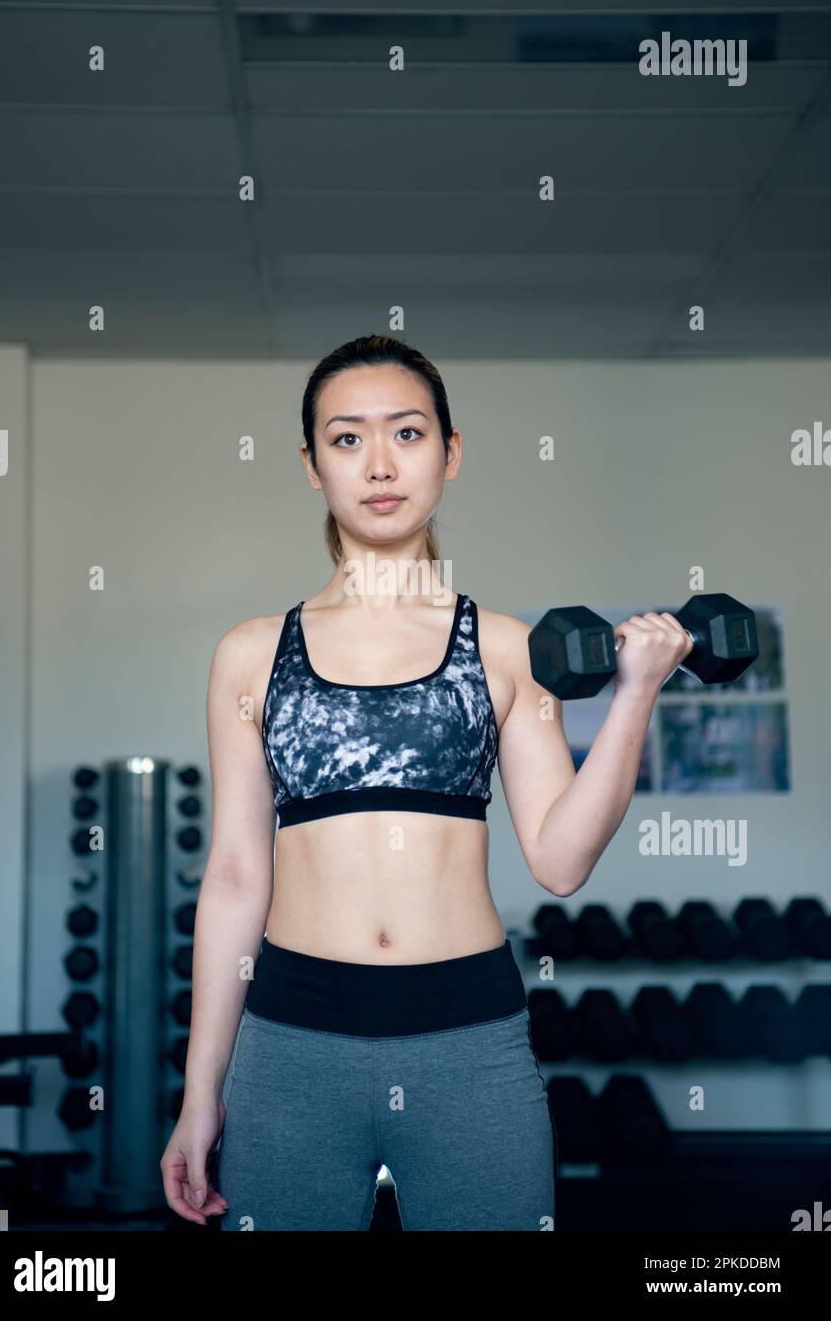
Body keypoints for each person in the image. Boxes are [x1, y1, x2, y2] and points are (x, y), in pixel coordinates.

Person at [159, 333, 693, 1231]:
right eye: (346, 438)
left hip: (468, 1043)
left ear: (450, 453)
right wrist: (199, 1091)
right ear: (311, 465)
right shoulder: (249, 654)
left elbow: (561, 861)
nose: (378, 464)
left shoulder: (507, 648)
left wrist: (635, 695)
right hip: (292, 1046)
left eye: (406, 433)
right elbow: (236, 878)